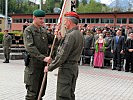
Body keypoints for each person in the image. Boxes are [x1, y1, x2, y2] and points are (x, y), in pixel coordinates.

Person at [44, 11, 84, 100]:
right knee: (70, 94)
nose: (64, 23)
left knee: (63, 95)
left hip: (66, 69)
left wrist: (50, 67)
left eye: (65, 21)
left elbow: (62, 55)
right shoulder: (79, 34)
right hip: (73, 68)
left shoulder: (70, 36)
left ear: (69, 22)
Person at [23, 9, 53, 100]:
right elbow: (30, 47)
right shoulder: (29, 30)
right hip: (33, 64)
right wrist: (43, 58)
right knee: (32, 93)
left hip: (43, 65)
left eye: (43, 19)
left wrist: (57, 34)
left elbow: (52, 40)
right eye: (40, 18)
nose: (42, 21)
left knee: (41, 91)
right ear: (34, 18)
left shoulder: (43, 30)